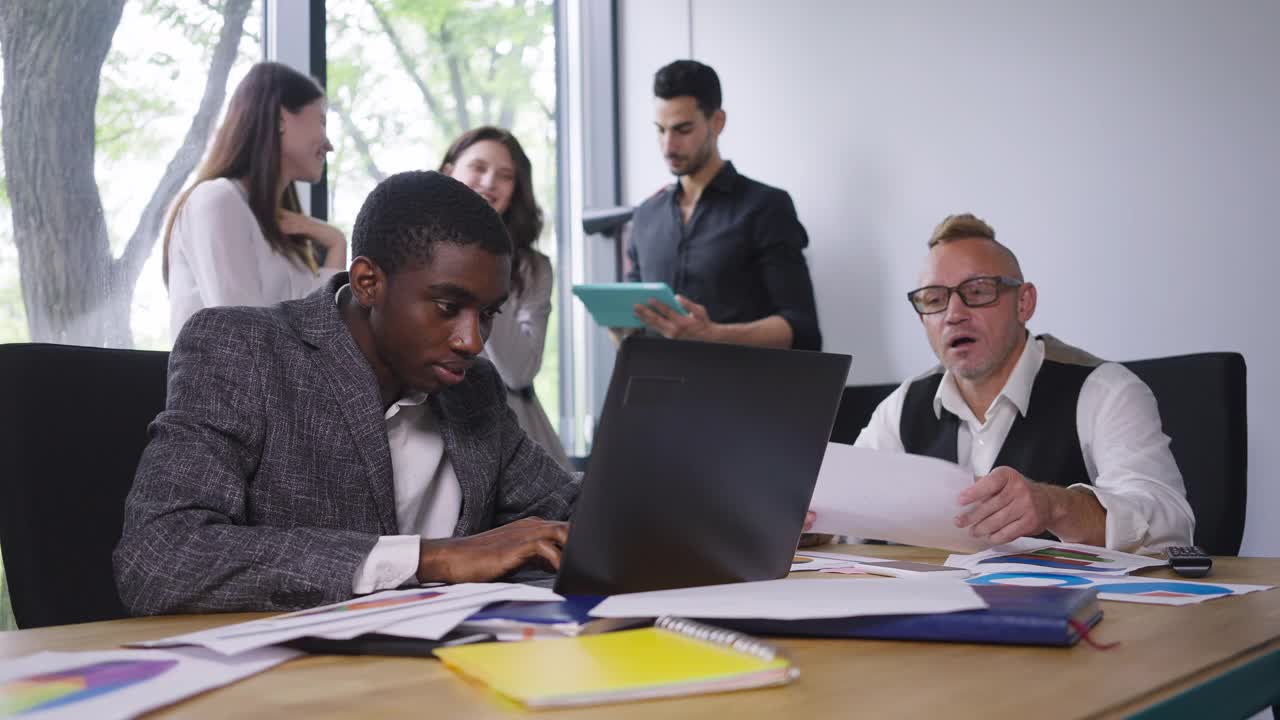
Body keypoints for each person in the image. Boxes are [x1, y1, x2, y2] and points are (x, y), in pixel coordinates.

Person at [115, 171, 578, 615]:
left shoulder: (471, 388)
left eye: (488, 314)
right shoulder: (244, 351)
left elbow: (574, 512)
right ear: (368, 283)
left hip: (454, 674)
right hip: (294, 684)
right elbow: (160, 554)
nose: (472, 341)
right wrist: (430, 559)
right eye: (448, 307)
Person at [848, 213, 1193, 553]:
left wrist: (1057, 506)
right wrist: (814, 525)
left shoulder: (1105, 390)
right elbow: (846, 509)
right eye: (935, 299)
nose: (954, 314)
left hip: (1082, 606)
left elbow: (1170, 526)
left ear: (1024, 303)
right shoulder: (904, 404)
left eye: (978, 291)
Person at [621, 59, 821, 351]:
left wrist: (712, 334)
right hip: (658, 392)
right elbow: (632, 332)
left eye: (682, 130)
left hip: (736, 392)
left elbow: (802, 329)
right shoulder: (645, 216)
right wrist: (621, 332)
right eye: (660, 130)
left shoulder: (766, 207)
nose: (668, 146)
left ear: (717, 122)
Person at [164, 61, 347, 341]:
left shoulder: (280, 239)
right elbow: (246, 342)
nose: (329, 143)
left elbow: (320, 335)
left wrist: (335, 240)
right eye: (321, 121)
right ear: (279, 119)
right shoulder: (218, 199)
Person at [439, 126, 570, 469]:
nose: (489, 182)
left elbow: (518, 370)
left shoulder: (533, 269)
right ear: (449, 171)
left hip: (512, 431)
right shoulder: (414, 252)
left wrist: (488, 264)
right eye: (478, 167)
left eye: (505, 175)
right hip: (433, 425)